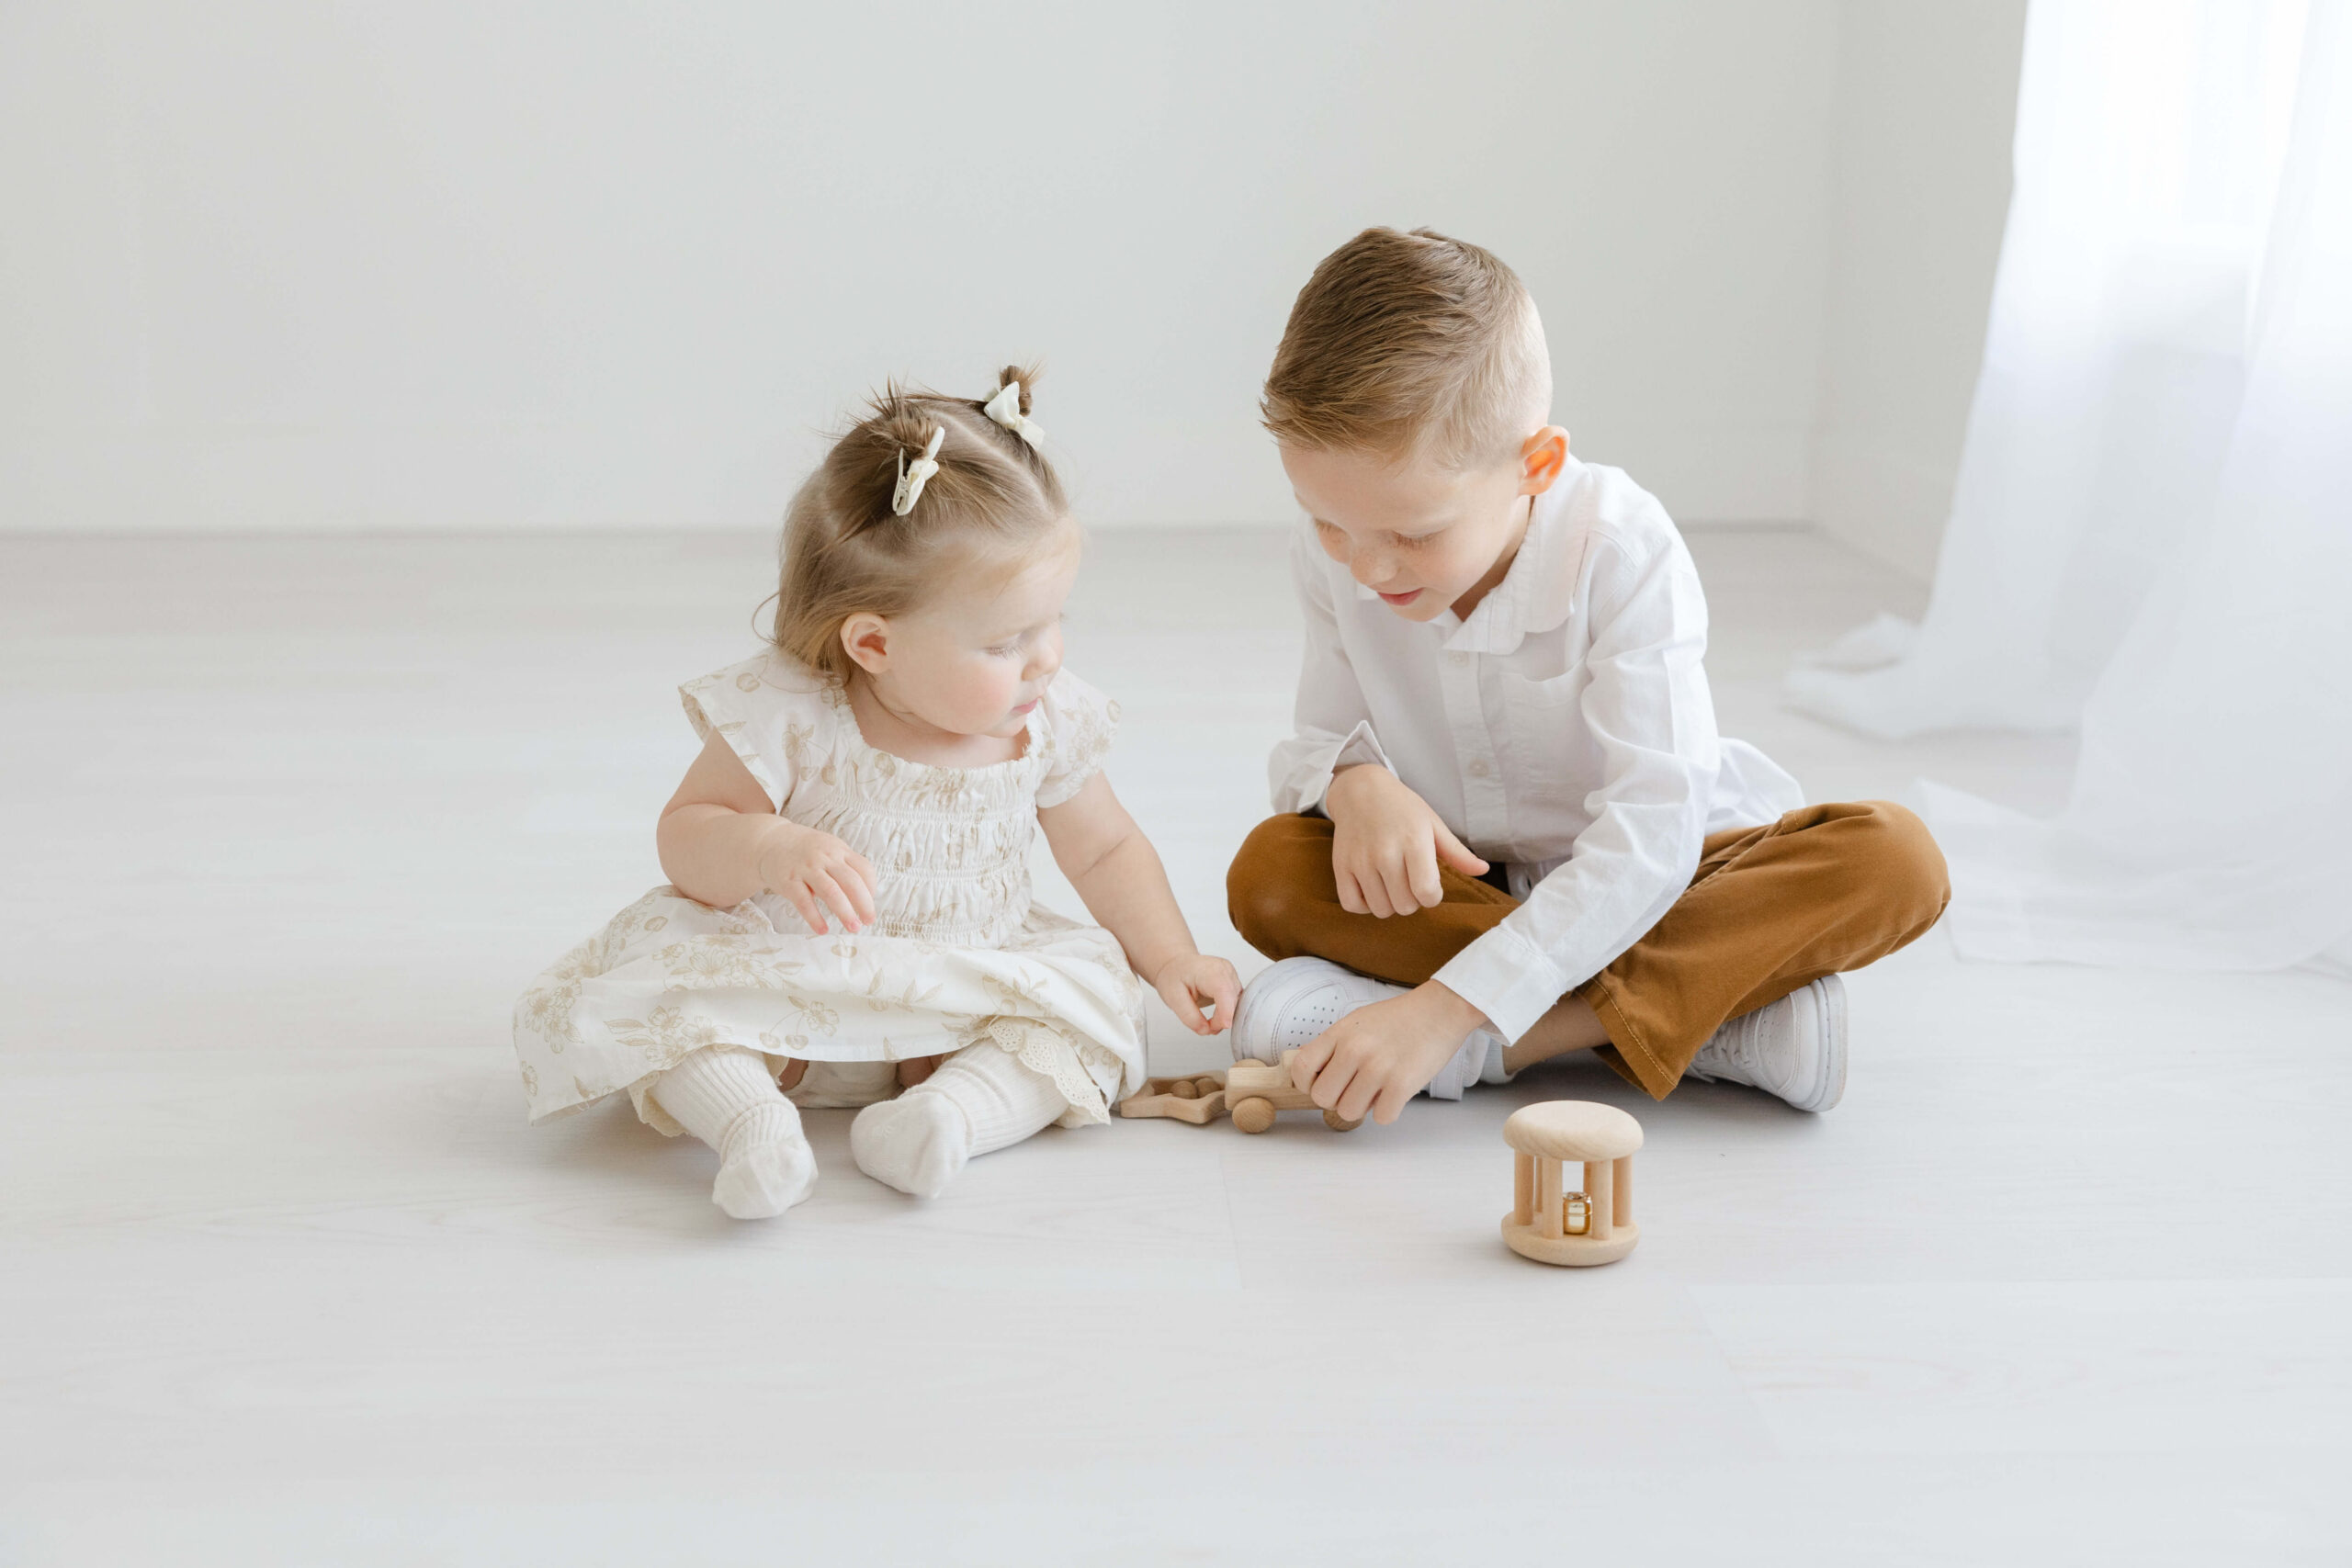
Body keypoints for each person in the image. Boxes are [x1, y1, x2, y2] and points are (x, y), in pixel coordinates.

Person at [1224, 228, 1950, 1126]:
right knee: (1269, 871)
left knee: (1891, 859)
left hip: (1661, 883)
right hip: (1467, 883)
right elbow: (1319, 734)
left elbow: (1653, 833)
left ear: (1536, 466)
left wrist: (1437, 1015)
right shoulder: (1344, 541)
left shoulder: (1622, 549)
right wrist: (1354, 779)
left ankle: (1503, 1045)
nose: (1366, 568)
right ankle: (1703, 1016)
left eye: (1413, 534)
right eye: (1328, 522)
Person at [514, 369, 1238, 1217]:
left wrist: (1170, 957)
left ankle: (945, 1115)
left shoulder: (1047, 717)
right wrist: (765, 847)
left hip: (963, 993)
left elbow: (1107, 847)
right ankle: (752, 1122)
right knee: (657, 980)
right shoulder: (793, 711)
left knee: (1096, 1005)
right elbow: (687, 835)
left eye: (1055, 621)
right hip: (785, 985)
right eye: (1010, 639)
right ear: (874, 644)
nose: (1047, 657)